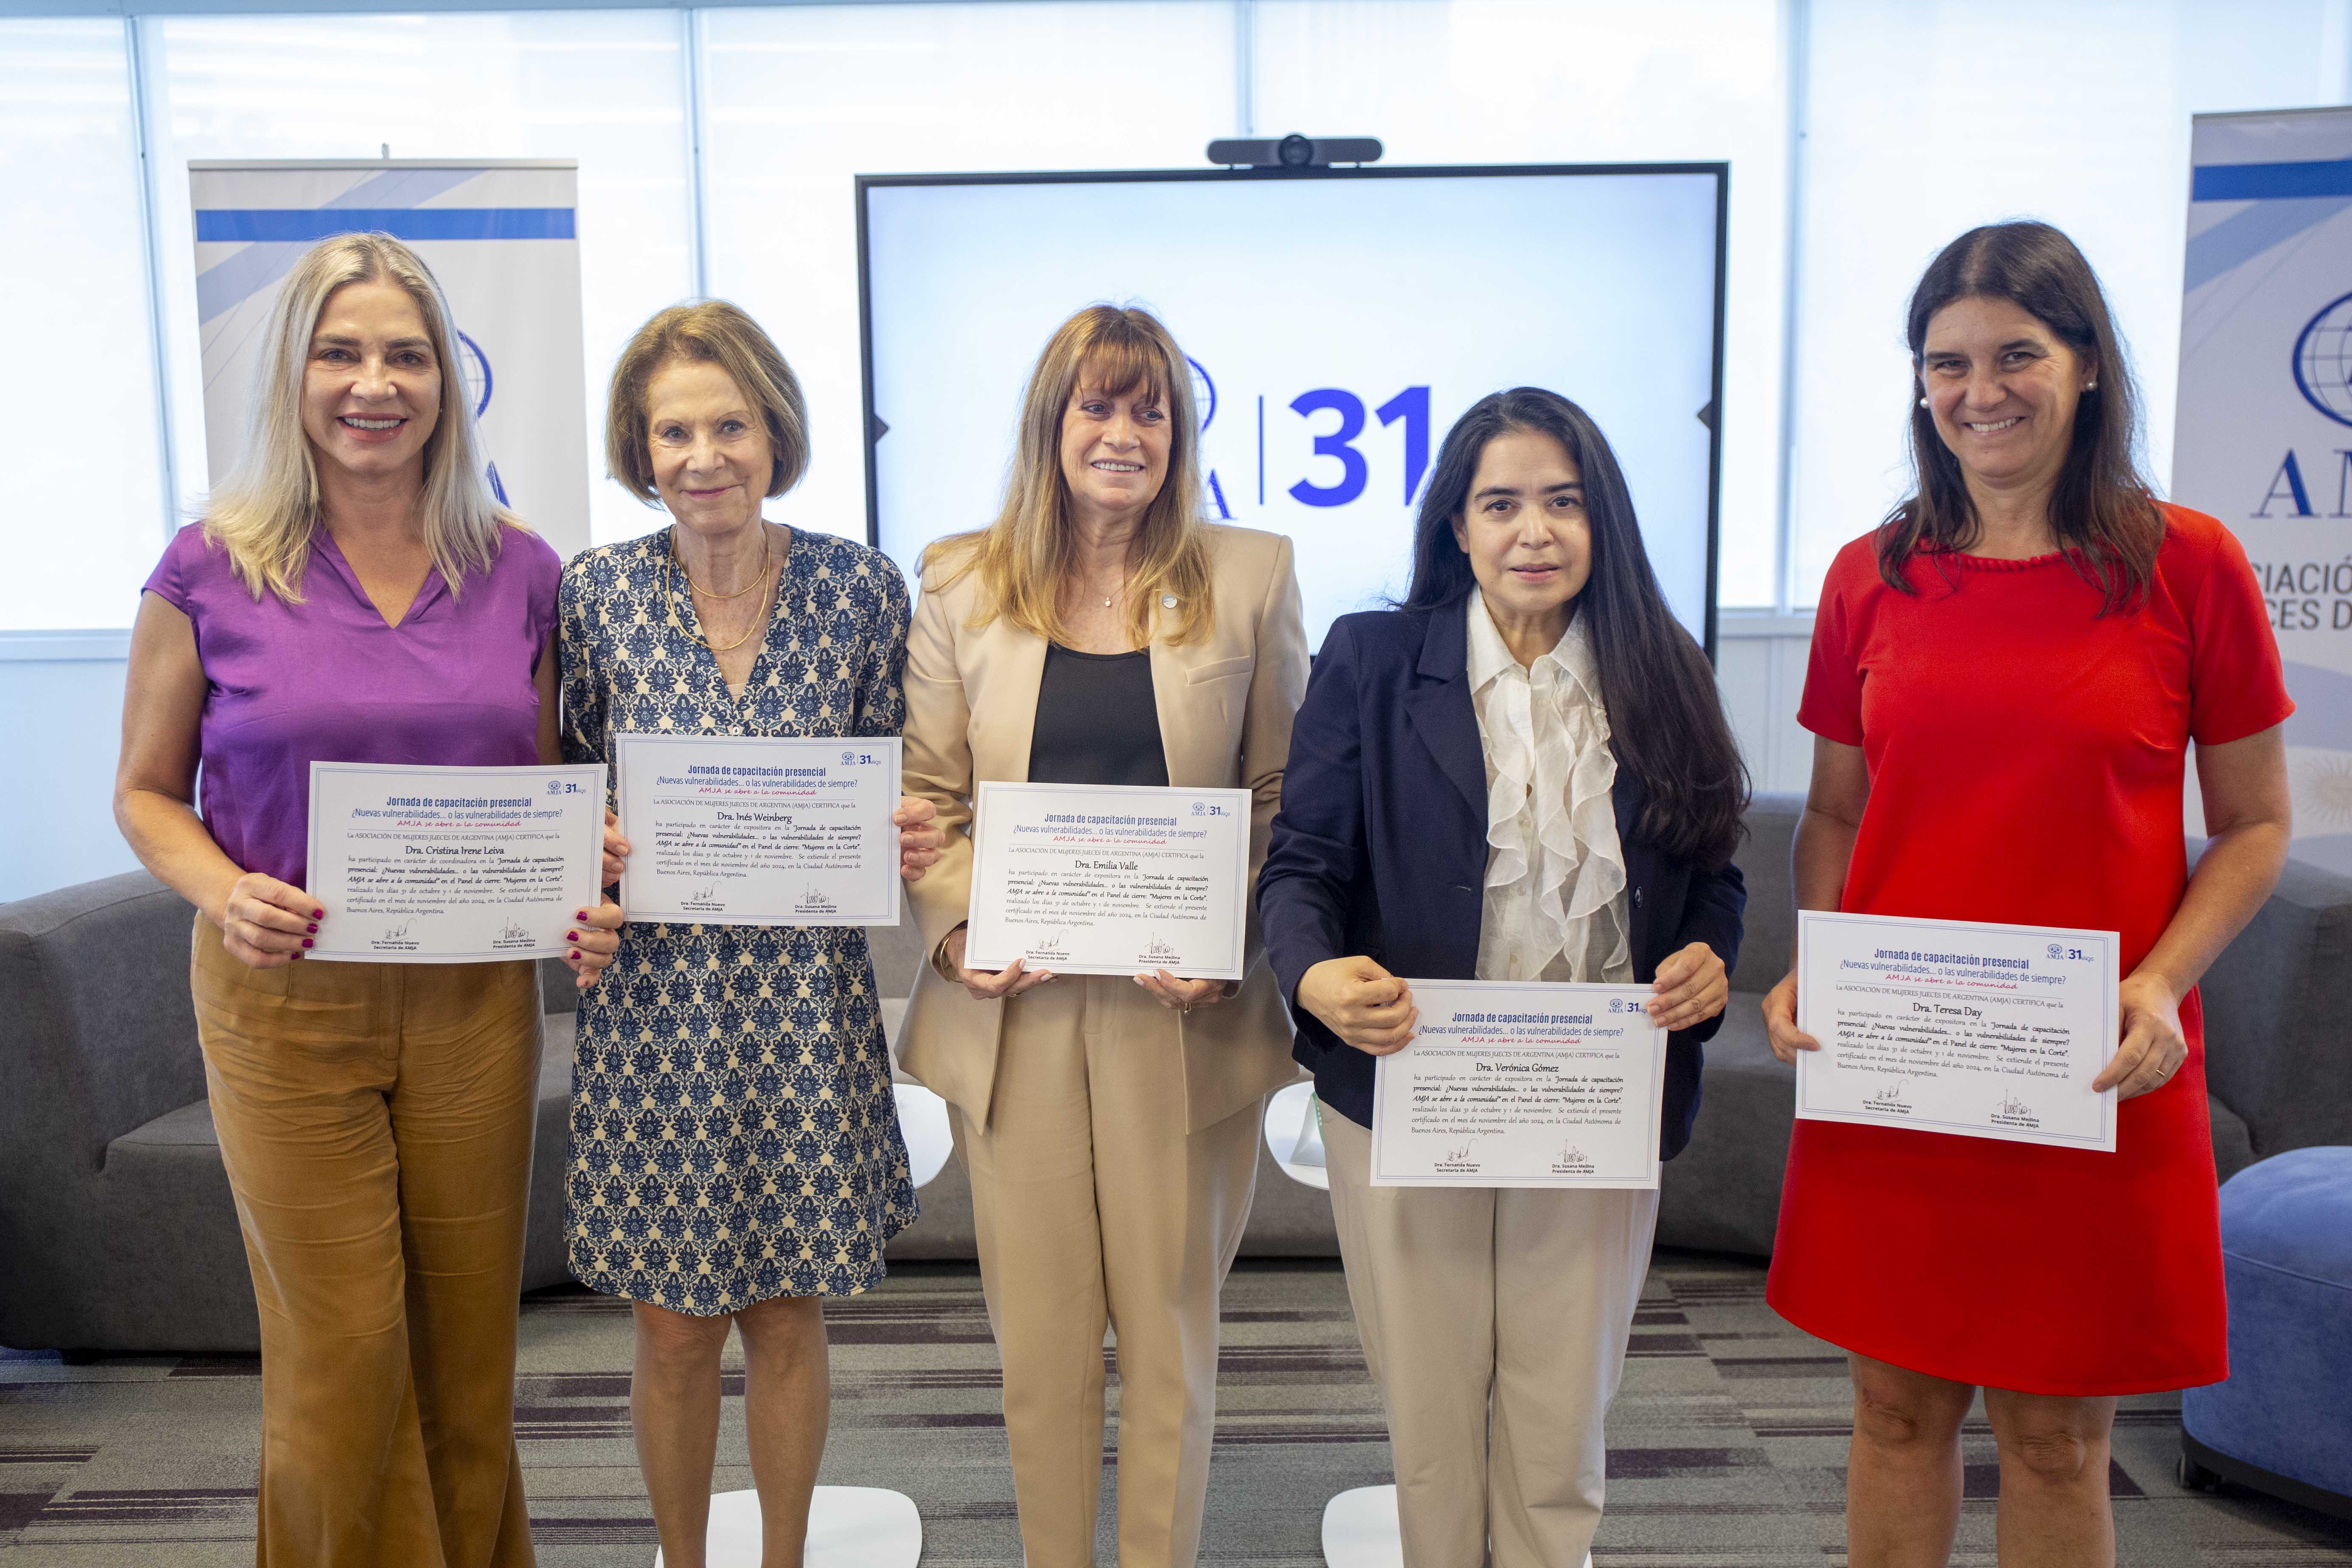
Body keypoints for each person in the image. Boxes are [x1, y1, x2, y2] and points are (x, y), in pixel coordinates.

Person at [1761, 221, 2294, 1567]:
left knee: (2059, 1438)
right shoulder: (1868, 574)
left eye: (2015, 355)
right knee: (1890, 1412)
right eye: (1946, 363)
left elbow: (2253, 825)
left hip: (2095, 1065)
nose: (1977, 391)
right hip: (1900, 1066)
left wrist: (2162, 979)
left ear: (2089, 367)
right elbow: (1834, 809)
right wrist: (1818, 958)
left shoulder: (2190, 566)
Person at [114, 231, 623, 1568]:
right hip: (284, 1001)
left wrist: (596, 868)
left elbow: (551, 782)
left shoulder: (519, 567)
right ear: (293, 372)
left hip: (473, 1003)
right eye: (341, 352)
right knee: (340, 1359)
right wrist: (225, 893)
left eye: (406, 352)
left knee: (468, 1356)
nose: (374, 381)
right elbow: (146, 795)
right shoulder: (211, 564)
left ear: (449, 380)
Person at [1257, 386, 1748, 1568]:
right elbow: (1302, 865)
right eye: (1502, 504)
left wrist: (1707, 962)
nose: (1534, 531)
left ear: (1603, 523)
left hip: (1592, 1095)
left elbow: (1711, 869)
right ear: (1457, 529)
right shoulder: (1373, 661)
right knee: (1429, 1412)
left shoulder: (1660, 665)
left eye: (1563, 503)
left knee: (1558, 1413)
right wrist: (1314, 979)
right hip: (1408, 1086)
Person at [890, 304, 1307, 1568]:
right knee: (1044, 1348)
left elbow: (1284, 794)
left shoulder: (1251, 573)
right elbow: (931, 793)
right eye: (1097, 406)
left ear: (1179, 434)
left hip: (1183, 1018)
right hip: (1014, 1013)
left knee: (1171, 1341)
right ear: (1050, 424)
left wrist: (1222, 933)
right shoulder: (960, 578)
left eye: (1149, 410)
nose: (1122, 434)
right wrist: (958, 929)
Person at [557, 301, 917, 1568]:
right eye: (674, 431)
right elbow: (566, 790)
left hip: (804, 1004)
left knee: (785, 1312)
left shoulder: (862, 590)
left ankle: (779, 1558)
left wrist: (906, 830)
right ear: (638, 448)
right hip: (653, 1007)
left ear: (775, 433)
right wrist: (580, 868)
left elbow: (897, 782)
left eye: (731, 424)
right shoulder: (593, 594)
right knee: (668, 1326)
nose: (704, 455)